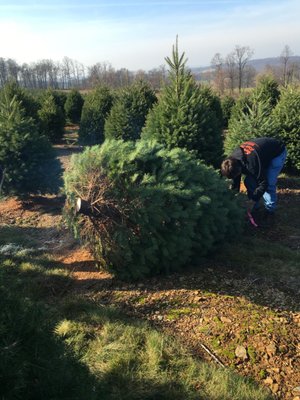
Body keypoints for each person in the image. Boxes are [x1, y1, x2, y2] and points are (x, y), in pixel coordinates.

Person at [221, 137, 287, 214]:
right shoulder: (232, 161)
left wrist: (253, 201)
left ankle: (270, 210)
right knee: (249, 182)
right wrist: (233, 196)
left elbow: (264, 183)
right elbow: (236, 179)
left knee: (269, 182)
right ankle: (255, 207)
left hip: (277, 152)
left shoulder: (251, 164)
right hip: (262, 153)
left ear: (239, 169)